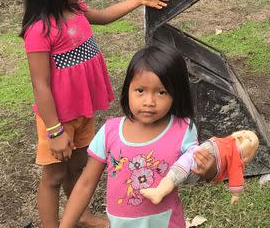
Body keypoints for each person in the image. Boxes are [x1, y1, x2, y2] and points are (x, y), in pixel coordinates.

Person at [21, 0, 169, 228]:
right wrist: (54, 131)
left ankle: (81, 215)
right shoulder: (39, 30)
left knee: (77, 167)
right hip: (58, 119)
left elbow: (105, 15)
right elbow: (40, 84)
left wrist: (138, 0)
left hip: (82, 110)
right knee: (53, 177)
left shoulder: (76, 10)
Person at [59, 43, 206, 228]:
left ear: (176, 94)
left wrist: (208, 167)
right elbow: (85, 184)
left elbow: (198, 169)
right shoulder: (110, 131)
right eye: (140, 91)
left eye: (161, 92)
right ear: (127, 89)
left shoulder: (182, 129)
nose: (149, 102)